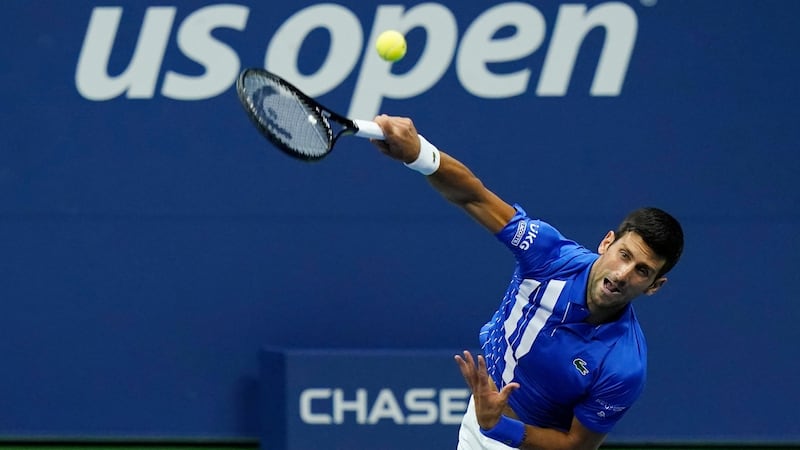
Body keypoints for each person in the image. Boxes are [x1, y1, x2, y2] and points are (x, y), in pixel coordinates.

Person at [369, 115, 684, 450]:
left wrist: (498, 427)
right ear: (607, 243)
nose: (623, 274)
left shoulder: (625, 365)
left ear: (654, 286)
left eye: (642, 271)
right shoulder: (549, 255)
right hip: (482, 417)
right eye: (624, 255)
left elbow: (576, 446)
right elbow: (474, 196)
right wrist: (418, 153)